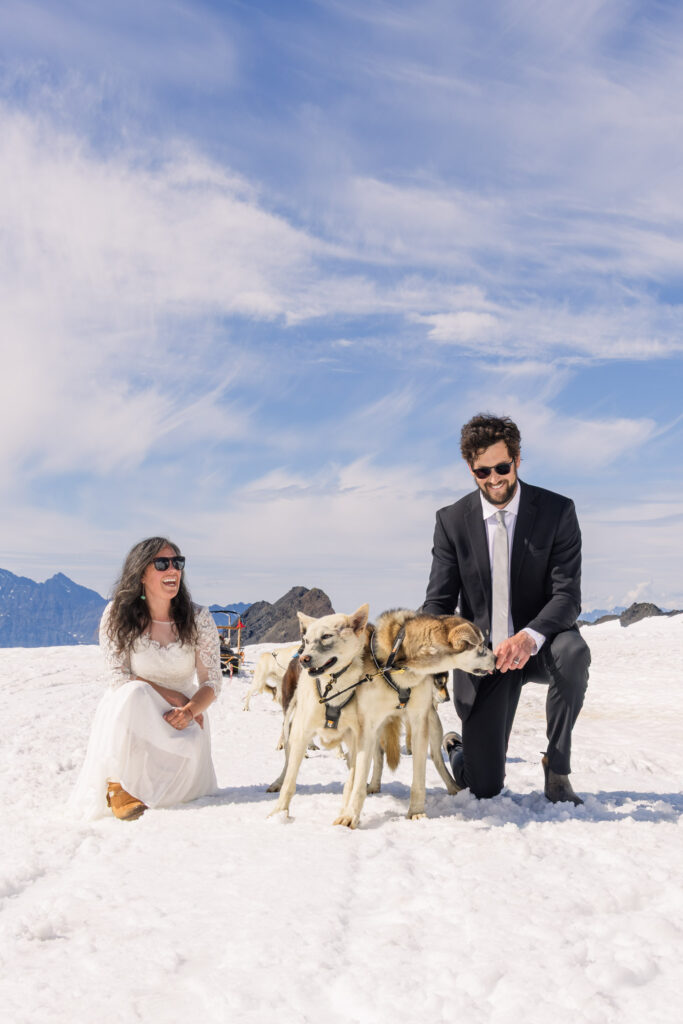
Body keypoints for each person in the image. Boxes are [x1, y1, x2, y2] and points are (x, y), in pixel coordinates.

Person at [423, 414, 590, 804]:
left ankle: (558, 767)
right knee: (483, 788)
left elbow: (567, 597)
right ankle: (460, 749)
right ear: (470, 468)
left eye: (502, 467)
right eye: (483, 471)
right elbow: (439, 602)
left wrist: (529, 638)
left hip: (539, 647)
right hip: (484, 661)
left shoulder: (557, 511)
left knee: (574, 652)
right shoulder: (450, 521)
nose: (493, 479)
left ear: (517, 459)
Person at [70, 537, 223, 821]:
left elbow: (212, 681)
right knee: (133, 692)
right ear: (142, 573)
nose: (173, 570)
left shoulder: (199, 617)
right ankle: (118, 787)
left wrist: (190, 710)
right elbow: (119, 676)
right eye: (162, 563)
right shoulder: (118, 614)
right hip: (132, 718)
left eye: (178, 563)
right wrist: (174, 695)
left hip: (180, 720)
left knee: (174, 790)